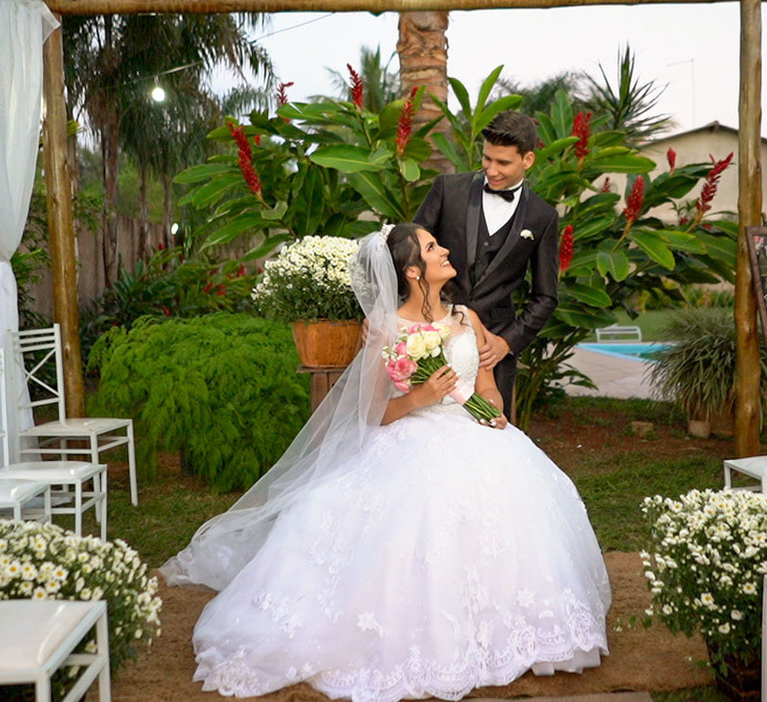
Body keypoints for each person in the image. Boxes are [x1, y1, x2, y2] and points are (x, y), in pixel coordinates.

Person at [160, 223, 610, 702]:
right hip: (410, 436)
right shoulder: (386, 329)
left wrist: (494, 408)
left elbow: (486, 385)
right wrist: (419, 397)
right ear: (413, 271)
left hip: (476, 433)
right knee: (419, 510)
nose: (446, 250)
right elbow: (372, 413)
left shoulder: (467, 317)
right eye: (433, 247)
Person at [414, 110, 559, 414]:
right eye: (487, 158)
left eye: (503, 163)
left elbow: (546, 295)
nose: (491, 170)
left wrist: (507, 342)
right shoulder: (448, 190)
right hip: (431, 335)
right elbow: (408, 256)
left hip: (492, 348)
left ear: (528, 160)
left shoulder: (543, 216)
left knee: (491, 426)